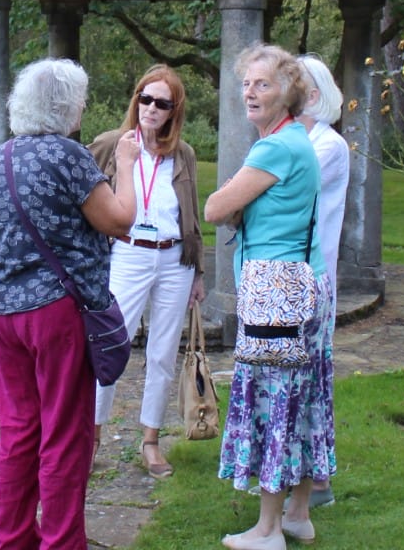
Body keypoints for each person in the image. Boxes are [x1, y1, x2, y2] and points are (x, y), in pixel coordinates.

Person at [0, 58, 139, 550]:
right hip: (57, 312)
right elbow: (120, 220)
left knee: (18, 430)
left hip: (3, 311)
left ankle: (13, 539)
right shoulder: (69, 156)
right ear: (67, 106)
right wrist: (125, 166)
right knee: (65, 432)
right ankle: (62, 542)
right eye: (81, 100)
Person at [204, 44, 334, 550]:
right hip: (305, 283)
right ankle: (299, 514)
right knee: (304, 399)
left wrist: (233, 207)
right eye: (247, 84)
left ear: (289, 94)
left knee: (274, 402)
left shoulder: (274, 148)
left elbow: (217, 208)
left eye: (264, 84)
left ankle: (268, 529)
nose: (251, 92)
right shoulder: (295, 139)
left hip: (278, 290)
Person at [88, 64, 206, 479]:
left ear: (174, 111)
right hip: (129, 253)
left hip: (173, 259)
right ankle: (93, 437)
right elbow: (82, 196)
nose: (151, 108)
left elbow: (190, 215)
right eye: (145, 98)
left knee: (161, 353)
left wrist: (198, 273)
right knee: (109, 345)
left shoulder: (183, 154)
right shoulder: (110, 144)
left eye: (162, 103)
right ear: (136, 99)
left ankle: (151, 441)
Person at [292, 54, 349, 510]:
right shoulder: (304, 142)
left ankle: (318, 482)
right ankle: (304, 479)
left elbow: (278, 186)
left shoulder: (326, 147)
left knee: (311, 379)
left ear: (312, 96)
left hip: (312, 280)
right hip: (297, 276)